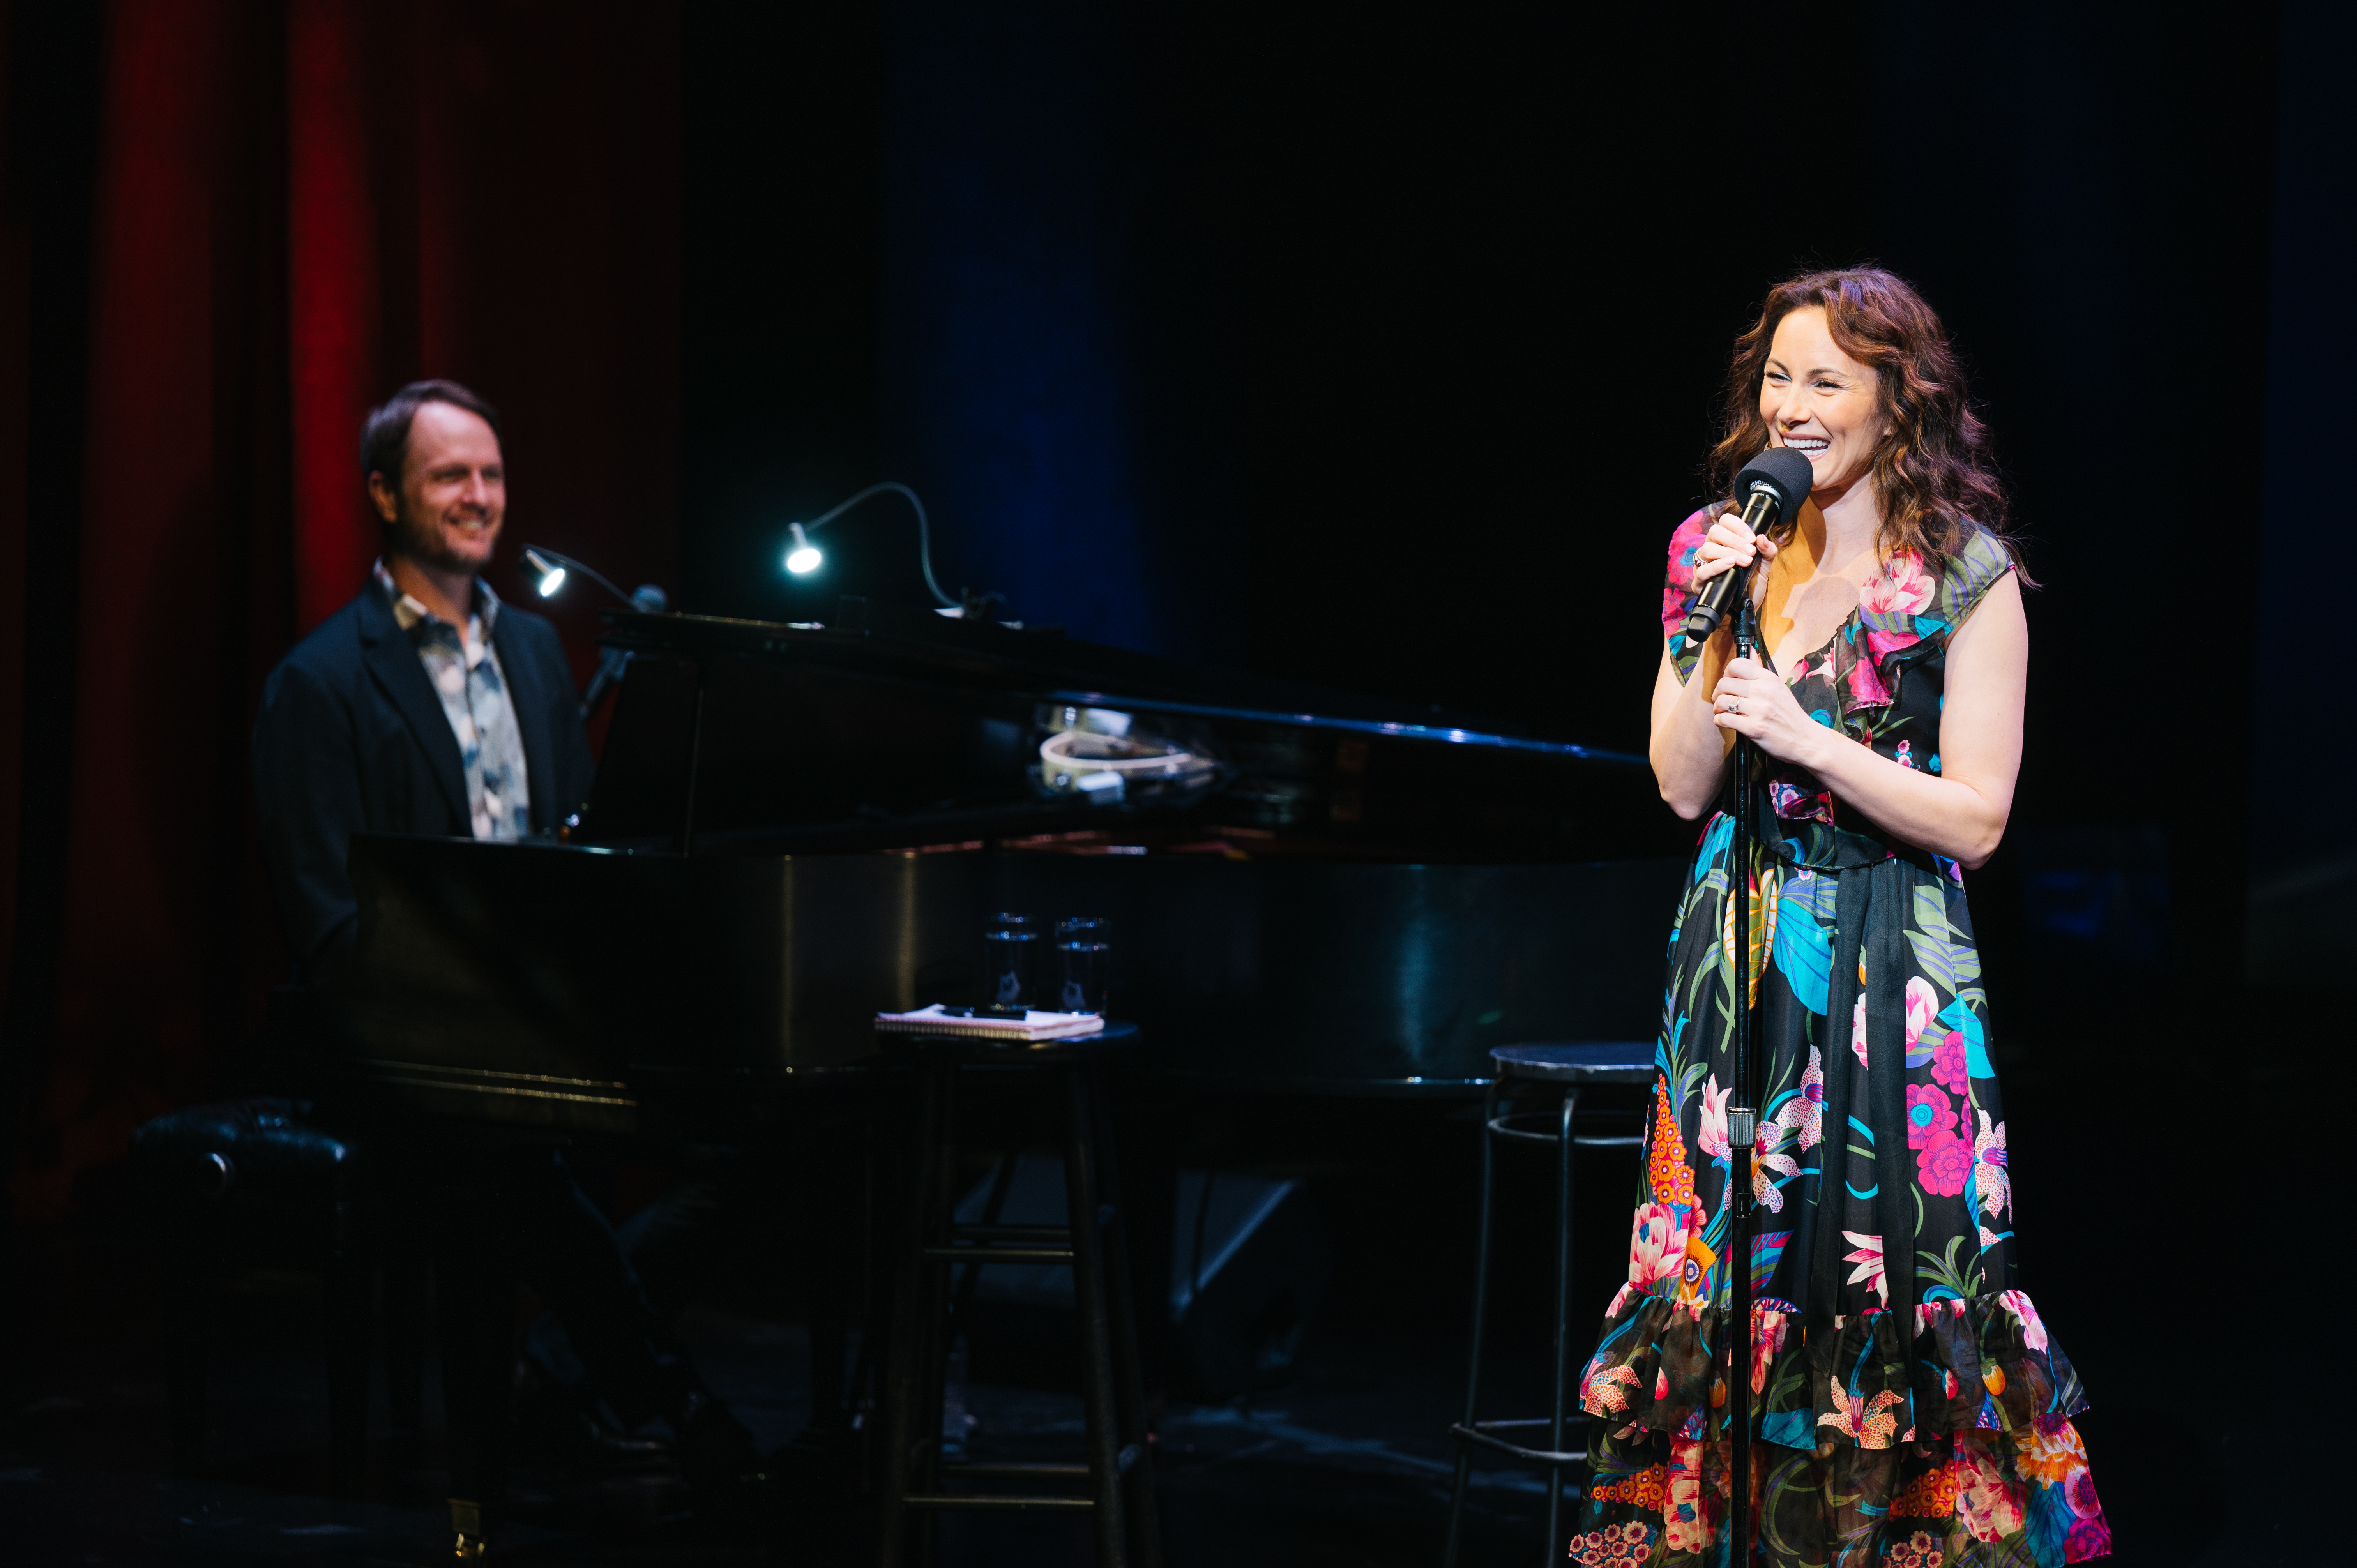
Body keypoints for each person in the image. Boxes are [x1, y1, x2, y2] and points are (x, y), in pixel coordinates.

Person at [1571, 271, 2110, 1566]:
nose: (1794, 408)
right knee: (1726, 1259)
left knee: (1885, 1263)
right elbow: (1682, 780)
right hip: (1739, 949)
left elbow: (1977, 816)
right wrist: (1716, 614)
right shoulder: (1715, 549)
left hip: (1890, 955)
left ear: (1895, 399)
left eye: (1827, 381)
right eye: (1777, 379)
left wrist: (1816, 744)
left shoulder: (1969, 576)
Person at [251, 380, 756, 1490]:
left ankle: (560, 1370)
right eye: (448, 476)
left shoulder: (534, 652)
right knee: (508, 1152)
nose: (479, 497)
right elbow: (329, 926)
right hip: (394, 1036)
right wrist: (467, 1016)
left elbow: (583, 867)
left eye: (490, 474)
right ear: (386, 496)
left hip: (545, 1017)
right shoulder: (319, 684)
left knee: (751, 1138)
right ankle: (663, 1399)